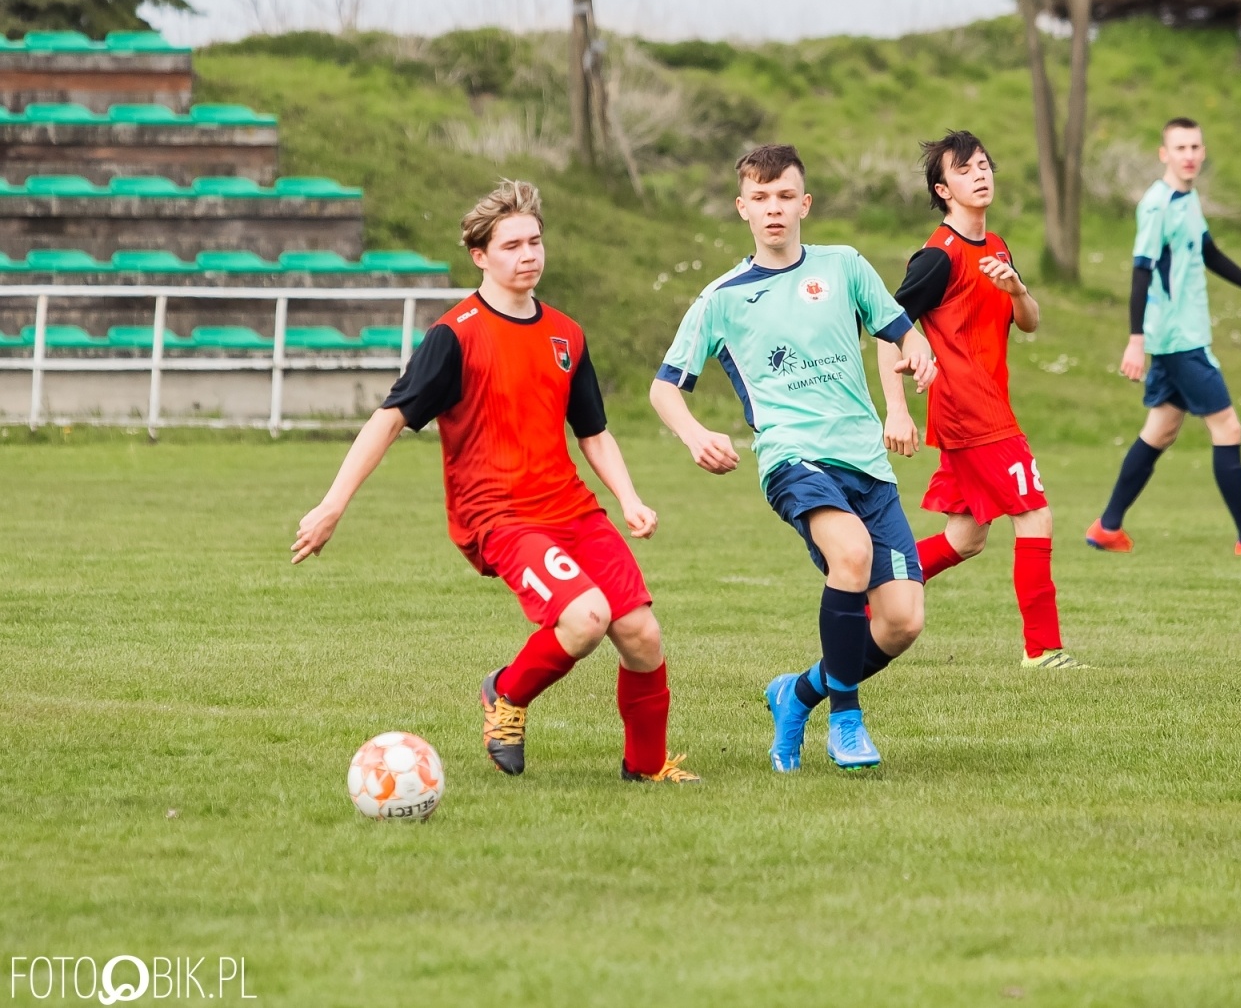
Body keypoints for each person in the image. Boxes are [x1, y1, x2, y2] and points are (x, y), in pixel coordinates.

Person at [292, 179, 699, 784]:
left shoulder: (566, 334)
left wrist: (630, 499)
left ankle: (646, 770)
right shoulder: (454, 336)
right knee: (585, 618)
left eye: (535, 241)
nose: (528, 254)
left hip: (572, 510)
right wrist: (331, 506)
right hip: (500, 517)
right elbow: (388, 419)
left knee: (640, 632)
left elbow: (592, 431)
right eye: (511, 245)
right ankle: (505, 695)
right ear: (480, 256)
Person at [649, 144, 937, 773]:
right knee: (852, 554)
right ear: (742, 209)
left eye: (784, 197)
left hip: (866, 462)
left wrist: (917, 351)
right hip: (793, 458)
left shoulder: (844, 267)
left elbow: (897, 327)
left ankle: (797, 693)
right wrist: (696, 434)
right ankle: (846, 721)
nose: (773, 209)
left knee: (901, 623)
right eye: (760, 198)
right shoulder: (721, 298)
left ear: (804, 204)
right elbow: (665, 386)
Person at [877, 129, 1079, 669]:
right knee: (1035, 516)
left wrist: (1017, 288)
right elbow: (884, 329)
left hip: (988, 407)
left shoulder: (997, 247)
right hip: (971, 412)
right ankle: (1043, 651)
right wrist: (896, 410)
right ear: (944, 190)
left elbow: (1029, 323)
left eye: (985, 165)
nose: (981, 175)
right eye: (965, 170)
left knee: (964, 539)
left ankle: (868, 585)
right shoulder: (936, 258)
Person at [1085, 118, 1241, 556]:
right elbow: (1141, 271)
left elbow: (1209, 254)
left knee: (1160, 430)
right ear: (1163, 154)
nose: (1189, 155)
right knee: (1228, 426)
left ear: (1202, 152)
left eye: (1195, 147)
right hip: (1178, 339)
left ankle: (1107, 527)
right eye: (1180, 147)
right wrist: (1135, 339)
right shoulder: (1157, 205)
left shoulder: (1188, 198)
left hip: (1180, 337)